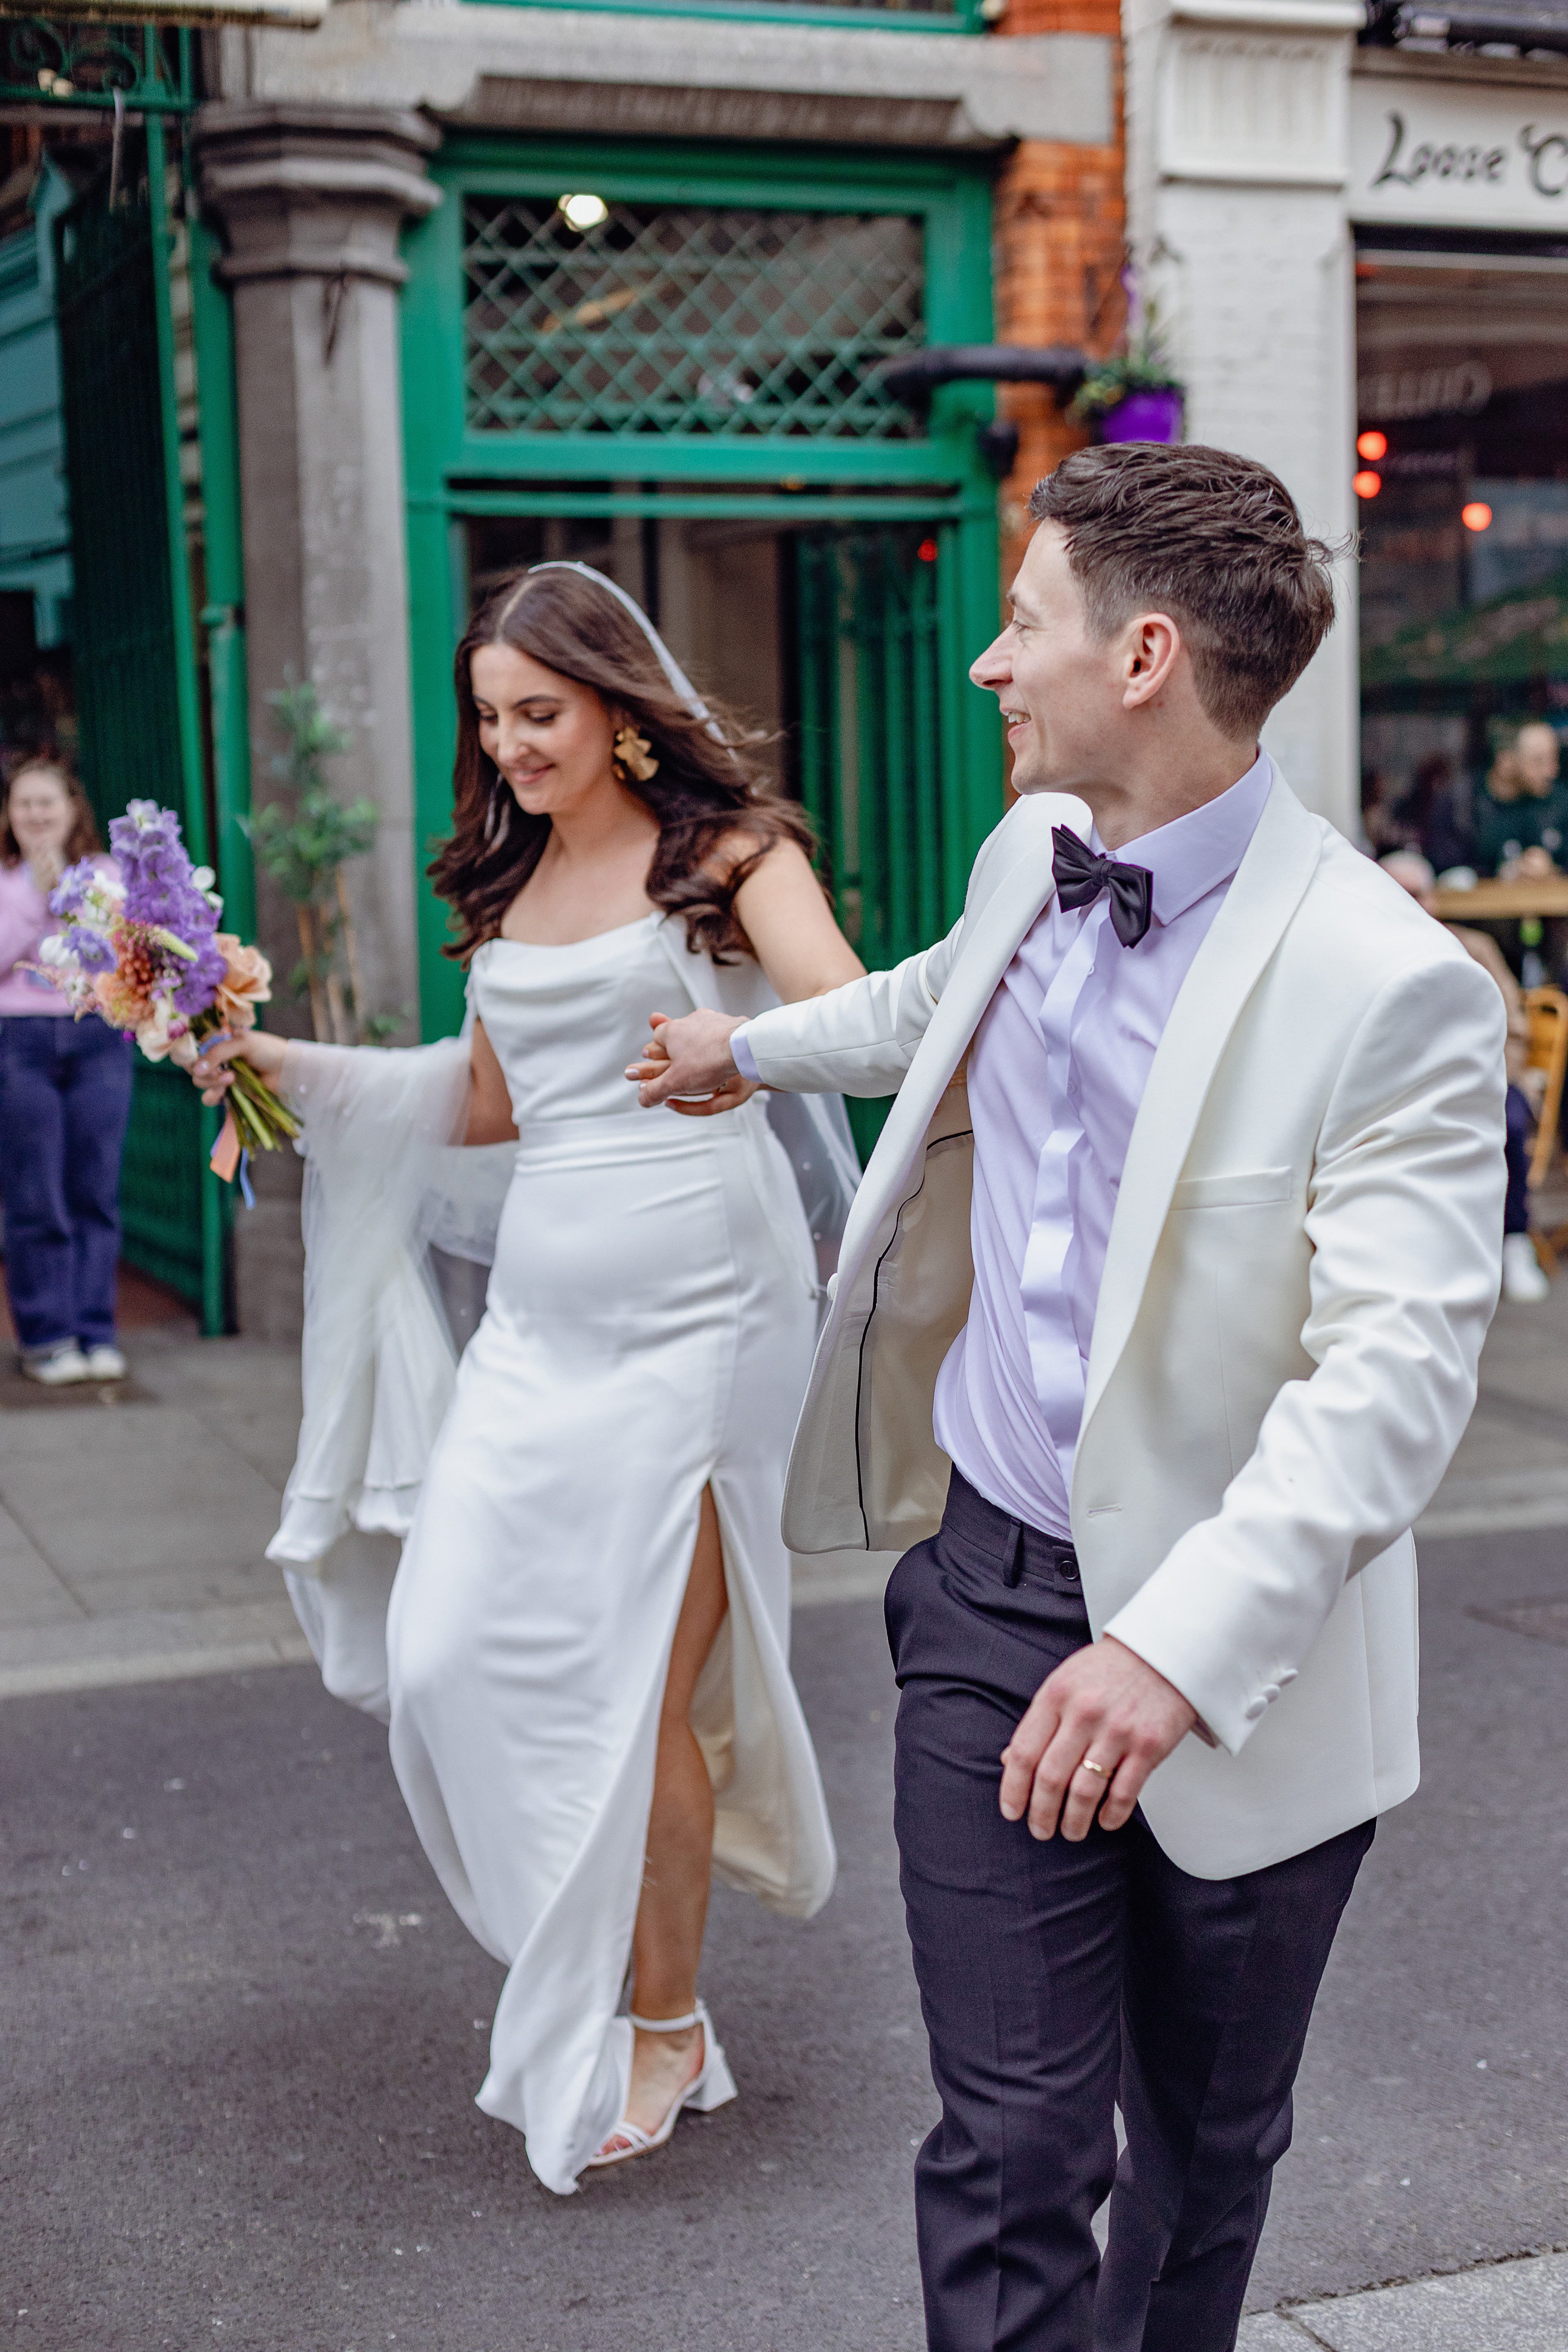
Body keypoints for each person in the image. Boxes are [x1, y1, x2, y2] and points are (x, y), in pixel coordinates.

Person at [633, 444, 1506, 2351]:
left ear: (1146, 657)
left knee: (1200, 2156)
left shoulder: (1392, 988)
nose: (987, 662)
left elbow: (1393, 1378)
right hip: (991, 1595)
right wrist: (746, 1050)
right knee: (1015, 2147)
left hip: (1249, 1661)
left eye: (1022, 622)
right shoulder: (1028, 849)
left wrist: (1173, 1653)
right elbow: (934, 999)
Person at [185, 564, 863, 2193]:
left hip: (707, 1323)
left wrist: (744, 1048)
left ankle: (664, 2022)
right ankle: (594, 1950)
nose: (510, 748)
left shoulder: (730, 859)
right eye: (490, 721)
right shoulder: (511, 884)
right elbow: (491, 1105)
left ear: (622, 706)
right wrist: (287, 1069)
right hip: (542, 1334)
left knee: (640, 1690)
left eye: (539, 713)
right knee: (443, 1651)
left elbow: (855, 1014)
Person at [0, 757, 134, 1384]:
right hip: (18, 1041)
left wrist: (73, 895)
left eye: (46, 802)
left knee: (94, 1190)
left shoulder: (107, 874)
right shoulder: (6, 880)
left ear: (72, 808)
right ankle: (46, 1337)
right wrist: (37, 893)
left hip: (97, 1039)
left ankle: (95, 1330)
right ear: (9, 815)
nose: (35, 814)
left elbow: (118, 955)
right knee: (35, 1194)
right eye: (23, 804)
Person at [1382, 848, 1548, 1304]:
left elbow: (1514, 1027)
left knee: (1508, 1121)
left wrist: (1485, 1079)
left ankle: (1515, 1240)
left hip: (1485, 1078)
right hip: (1399, 1089)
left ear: (1434, 897)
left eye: (1420, 894)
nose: (1414, 905)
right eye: (1400, 894)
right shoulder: (1369, 955)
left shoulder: (1474, 949)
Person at [1472, 722, 1568, 877]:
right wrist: (1504, 873)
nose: (1552, 772)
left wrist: (1554, 871)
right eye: (1538, 761)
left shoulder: (1560, 802)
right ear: (1506, 760)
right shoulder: (1466, 806)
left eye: (1554, 758)